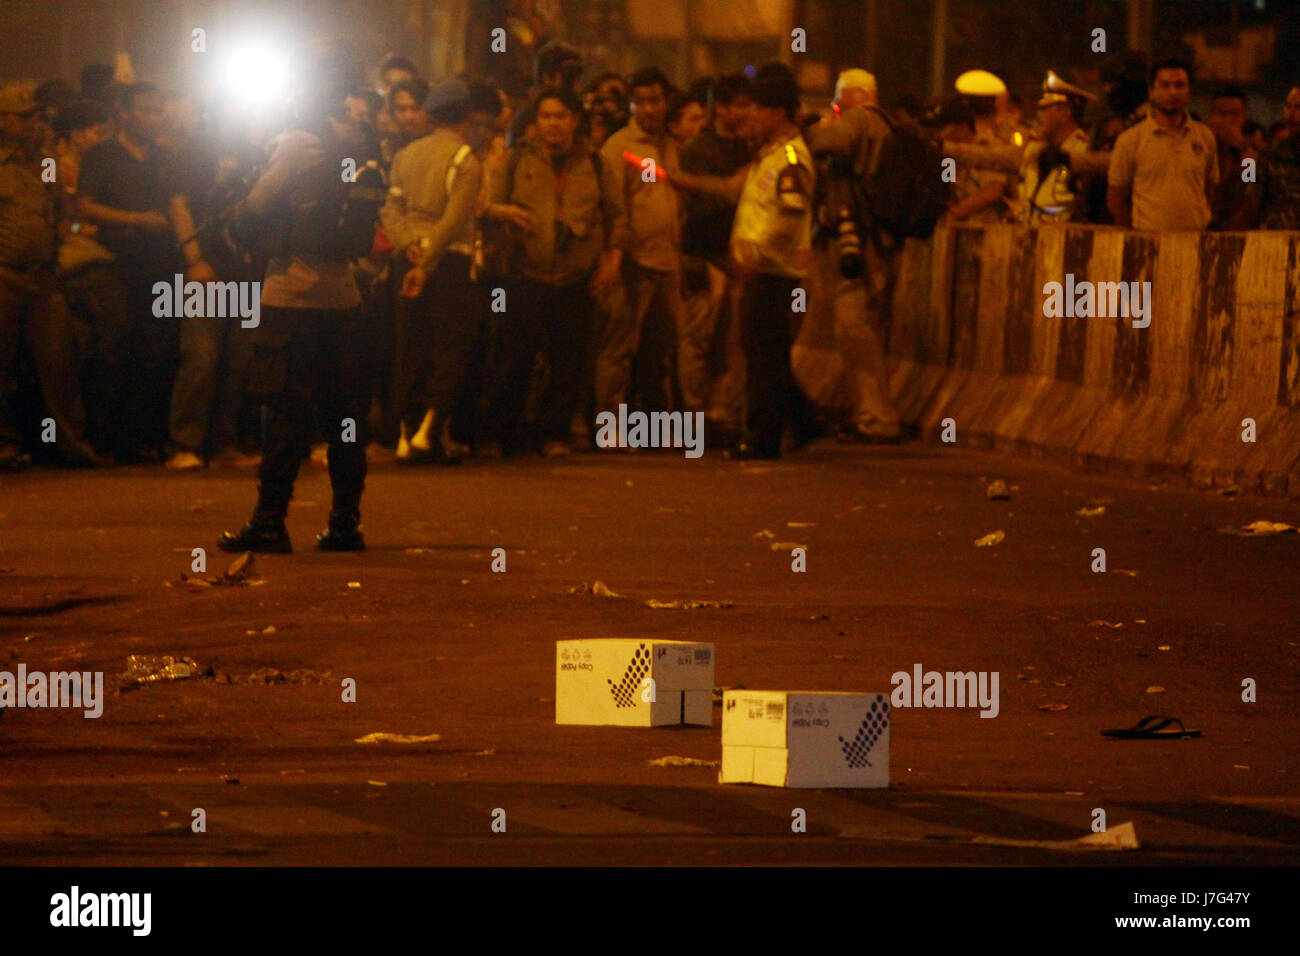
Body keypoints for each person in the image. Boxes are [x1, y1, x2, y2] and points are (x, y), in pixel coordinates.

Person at [217, 51, 377, 554]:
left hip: (291, 295)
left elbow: (254, 210)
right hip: (344, 299)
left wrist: (237, 197)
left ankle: (270, 521)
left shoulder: (294, 143)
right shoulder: (359, 142)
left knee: (284, 413)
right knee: (343, 415)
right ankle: (345, 523)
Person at [479, 89, 621, 458]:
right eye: (546, 117)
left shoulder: (595, 162)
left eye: (560, 116)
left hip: (575, 277)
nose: (552, 124)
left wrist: (611, 262)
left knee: (568, 361)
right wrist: (507, 214)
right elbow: (489, 206)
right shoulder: (516, 159)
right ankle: (501, 433)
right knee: (514, 359)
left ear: (575, 120)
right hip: (524, 272)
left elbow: (616, 217)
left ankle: (554, 434)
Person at [76, 81, 180, 461]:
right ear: (123, 113)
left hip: (161, 264)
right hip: (114, 264)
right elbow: (83, 206)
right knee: (113, 350)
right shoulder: (101, 155)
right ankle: (108, 439)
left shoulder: (166, 156)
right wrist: (135, 219)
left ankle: (146, 438)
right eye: (145, 110)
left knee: (157, 351)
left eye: (158, 110)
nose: (153, 118)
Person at [0, 85, 102, 471]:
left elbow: (61, 208)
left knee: (58, 363)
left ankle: (70, 445)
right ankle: (7, 446)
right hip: (5, 274)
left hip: (43, 277)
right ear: (4, 121)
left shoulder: (45, 163)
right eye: (23, 117)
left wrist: (60, 235)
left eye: (35, 117)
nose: (33, 124)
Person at [381, 79, 483, 464]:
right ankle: (430, 428)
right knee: (449, 347)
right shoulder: (464, 159)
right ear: (467, 117)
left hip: (407, 256)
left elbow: (391, 209)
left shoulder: (406, 155)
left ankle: (406, 434)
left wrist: (409, 244)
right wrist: (428, 262)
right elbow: (455, 220)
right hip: (448, 263)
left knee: (410, 346)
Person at [595, 67, 700, 422]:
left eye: (654, 100)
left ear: (666, 101)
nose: (648, 108)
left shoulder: (671, 146)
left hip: (669, 263)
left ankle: (658, 423)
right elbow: (613, 209)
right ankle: (607, 424)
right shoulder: (619, 147)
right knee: (619, 349)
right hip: (633, 264)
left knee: (665, 349)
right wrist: (614, 258)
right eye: (639, 101)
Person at [727, 65, 816, 459]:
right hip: (762, 269)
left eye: (758, 109)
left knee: (764, 355)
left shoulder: (791, 159)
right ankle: (806, 420)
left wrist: (756, 254)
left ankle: (763, 439)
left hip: (774, 272)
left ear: (778, 112)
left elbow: (788, 215)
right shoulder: (770, 155)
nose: (750, 116)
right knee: (767, 352)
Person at [679, 73, 754, 444]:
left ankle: (726, 410)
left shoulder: (749, 148)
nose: (746, 112)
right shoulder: (698, 150)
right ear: (719, 108)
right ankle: (695, 415)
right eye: (739, 105)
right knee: (701, 340)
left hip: (737, 258)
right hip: (705, 256)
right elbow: (695, 207)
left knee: (734, 340)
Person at [1106, 58, 1218, 231]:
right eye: (1165, 85)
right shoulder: (1130, 140)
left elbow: (1209, 190)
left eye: (1179, 85)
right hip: (1148, 244)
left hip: (1194, 244)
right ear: (1152, 91)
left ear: (1189, 91)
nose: (1173, 92)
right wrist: (1134, 239)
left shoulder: (1205, 137)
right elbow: (1115, 200)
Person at [1014, 71, 1098, 223]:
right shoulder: (1033, 148)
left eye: (1045, 109)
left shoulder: (1083, 151)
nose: (1039, 115)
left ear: (1065, 113)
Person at [1207, 85, 1257, 230]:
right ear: (1212, 115)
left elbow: (1249, 192)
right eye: (1222, 114)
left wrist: (1241, 148)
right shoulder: (1200, 149)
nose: (1228, 120)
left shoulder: (1249, 157)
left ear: (1244, 117)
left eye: (1234, 114)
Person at [1259, 86, 1300, 230]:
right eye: (1288, 107)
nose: (1292, 113)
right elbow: (1250, 191)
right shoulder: (1269, 153)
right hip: (1277, 242)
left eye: (1299, 108)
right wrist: (1247, 163)